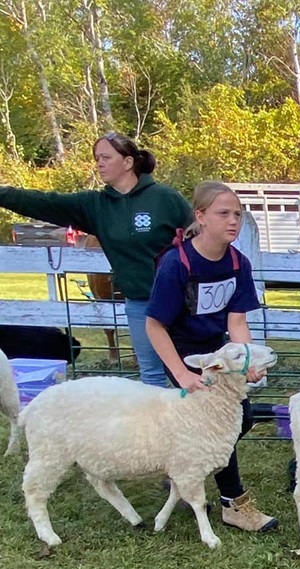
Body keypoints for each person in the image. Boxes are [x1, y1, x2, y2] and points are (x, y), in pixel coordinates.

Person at [0, 132, 193, 386]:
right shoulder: (95, 205)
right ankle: (155, 426)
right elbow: (44, 202)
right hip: (141, 306)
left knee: (192, 371)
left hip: (182, 303)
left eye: (106, 157)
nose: (99, 163)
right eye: (96, 158)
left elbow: (199, 237)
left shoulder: (166, 199)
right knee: (152, 377)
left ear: (128, 162)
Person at [145, 181, 277, 533]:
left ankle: (187, 470)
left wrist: (248, 363)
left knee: (241, 417)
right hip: (182, 354)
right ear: (200, 217)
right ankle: (233, 503)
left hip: (218, 350)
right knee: (217, 421)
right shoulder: (177, 264)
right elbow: (155, 326)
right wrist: (183, 374)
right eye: (223, 213)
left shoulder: (237, 263)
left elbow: (236, 319)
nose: (233, 221)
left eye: (237, 214)